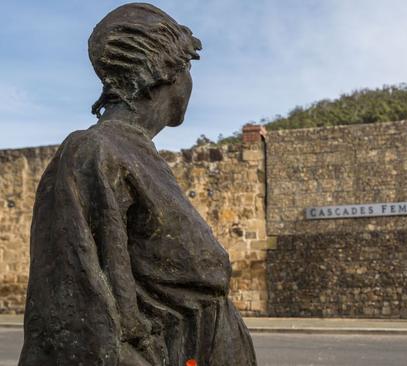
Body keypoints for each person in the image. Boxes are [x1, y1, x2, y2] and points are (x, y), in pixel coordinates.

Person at [19, 3, 257, 365]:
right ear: (162, 71)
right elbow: (71, 307)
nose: (190, 81)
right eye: (187, 68)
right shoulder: (94, 151)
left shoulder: (141, 154)